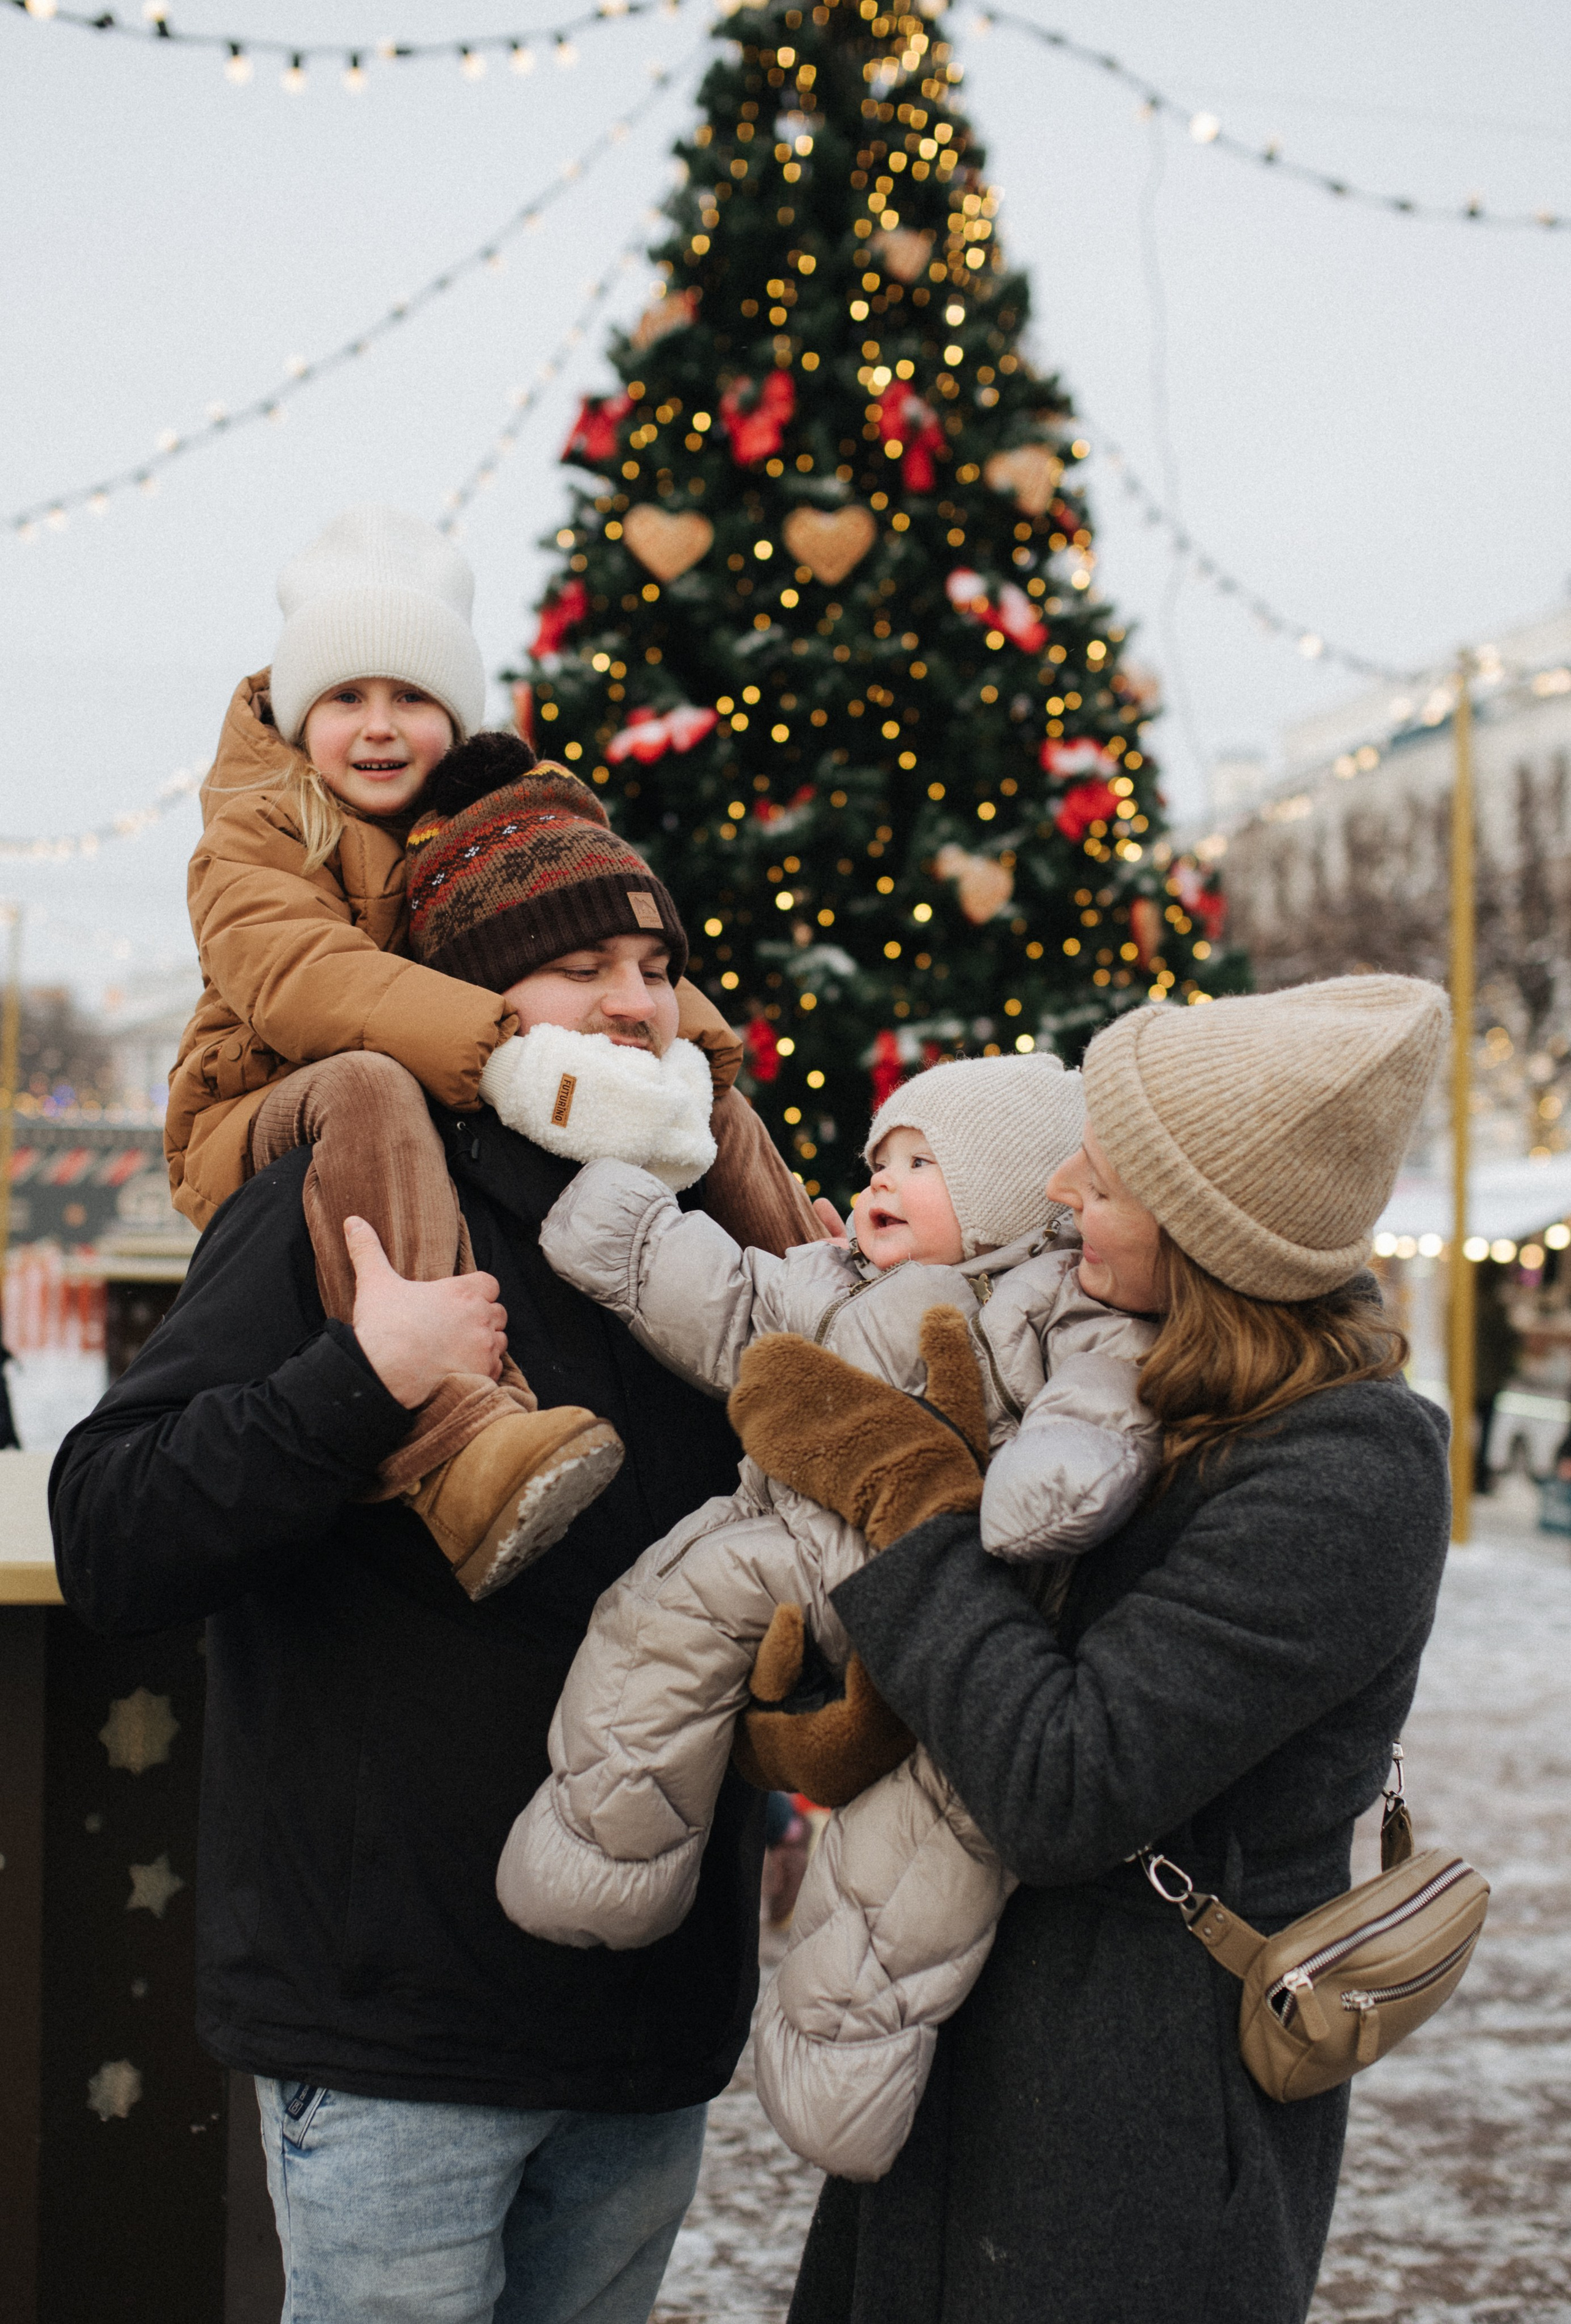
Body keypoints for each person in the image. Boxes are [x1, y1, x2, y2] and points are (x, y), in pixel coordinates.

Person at [50, 785, 806, 2324]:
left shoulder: (718, 1231)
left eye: (655, 966)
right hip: (393, 2030)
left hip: (647, 2027)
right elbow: (113, 1530)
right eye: (578, 966)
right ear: (476, 999)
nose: (634, 1001)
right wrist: (358, 1377)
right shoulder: (353, 1204)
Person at [721, 973, 1454, 2324]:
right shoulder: (1107, 1368)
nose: (1058, 1190)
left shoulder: (1344, 1474)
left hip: (1133, 2123)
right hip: (964, 2050)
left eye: (1102, 1179)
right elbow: (961, 1666)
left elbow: (1065, 1783)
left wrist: (902, 1490)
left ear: (1211, 1233)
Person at [497, 1052, 1159, 2179]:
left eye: (921, 1163)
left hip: (960, 1599)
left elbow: (1101, 1404)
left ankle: (843, 2069)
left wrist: (1054, 1477)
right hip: (795, 1563)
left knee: (924, 1849)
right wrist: (627, 1229)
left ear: (1012, 1194)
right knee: (662, 1609)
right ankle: (607, 1854)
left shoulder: (1058, 1300)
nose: (879, 1183)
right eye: (878, 1162)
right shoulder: (832, 1276)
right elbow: (727, 1301)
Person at [165, 503, 814, 1595]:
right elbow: (298, 977)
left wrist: (689, 1053)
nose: (380, 728)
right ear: (299, 709)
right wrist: (505, 1049)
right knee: (368, 1082)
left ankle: (829, 1326)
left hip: (430, 1074)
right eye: (346, 698)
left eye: (413, 698)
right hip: (269, 1104)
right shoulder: (257, 826)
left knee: (706, 1100)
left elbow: (591, 936)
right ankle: (456, 1435)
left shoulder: (479, 821)